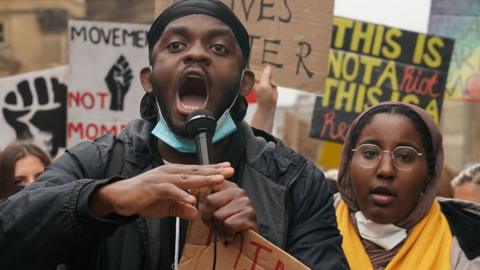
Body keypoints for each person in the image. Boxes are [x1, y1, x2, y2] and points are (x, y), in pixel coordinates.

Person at [0, 1, 347, 269]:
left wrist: (257, 252)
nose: (196, 53)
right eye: (176, 45)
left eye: (219, 48)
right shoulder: (93, 161)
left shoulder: (295, 181)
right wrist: (106, 199)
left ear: (244, 84)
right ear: (149, 79)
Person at [335, 101, 480, 269]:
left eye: (405, 156)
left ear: (430, 172)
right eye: (370, 153)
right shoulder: (308, 222)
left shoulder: (470, 247)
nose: (386, 169)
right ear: (348, 162)